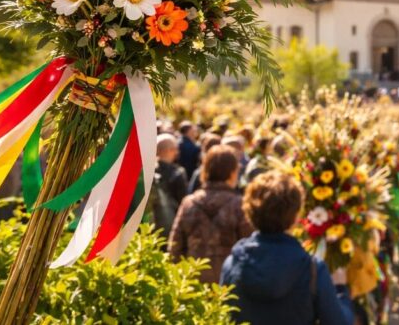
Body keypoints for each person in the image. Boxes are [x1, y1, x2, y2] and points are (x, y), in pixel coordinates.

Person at [220, 171, 354, 325]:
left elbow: (224, 317)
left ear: (249, 212)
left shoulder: (232, 265)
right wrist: (341, 290)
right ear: (296, 217)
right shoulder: (313, 270)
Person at [169, 145, 253, 283]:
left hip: (193, 281)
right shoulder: (239, 205)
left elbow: (175, 247)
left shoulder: (189, 203)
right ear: (232, 172)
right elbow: (248, 246)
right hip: (229, 283)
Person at [150, 133, 189, 235]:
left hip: (150, 225)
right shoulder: (178, 173)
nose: (177, 152)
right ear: (170, 150)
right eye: (175, 149)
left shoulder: (148, 172)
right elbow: (183, 201)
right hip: (172, 225)